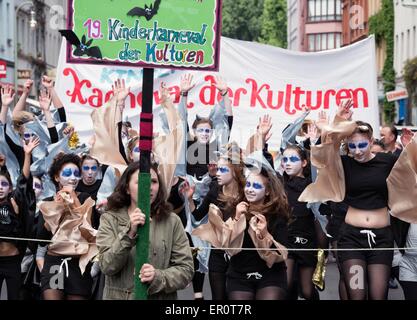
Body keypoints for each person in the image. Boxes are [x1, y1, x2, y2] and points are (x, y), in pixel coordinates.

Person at [299, 99, 416, 300]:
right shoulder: (343, 163)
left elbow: (410, 172)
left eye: (362, 144)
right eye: (352, 146)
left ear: (371, 141)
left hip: (381, 240)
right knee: (357, 295)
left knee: (379, 296)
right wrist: (339, 121)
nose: (358, 150)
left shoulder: (387, 161)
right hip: (351, 239)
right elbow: (326, 151)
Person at [97, 161, 194, 300]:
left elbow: (186, 270)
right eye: (141, 181)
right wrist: (129, 233)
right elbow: (107, 266)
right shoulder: (110, 219)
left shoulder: (172, 221)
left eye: (154, 181)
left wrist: (157, 276)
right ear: (127, 188)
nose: (148, 187)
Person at [224, 157, 289, 300]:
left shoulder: (277, 214)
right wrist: (236, 220)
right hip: (240, 274)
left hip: (270, 274)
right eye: (248, 185)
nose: (250, 190)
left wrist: (265, 234)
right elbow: (227, 248)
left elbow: (282, 253)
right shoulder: (235, 209)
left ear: (267, 191)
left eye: (256, 186)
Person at [36, 153, 97, 300]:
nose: (73, 177)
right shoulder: (47, 202)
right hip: (54, 262)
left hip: (78, 264)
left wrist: (74, 200)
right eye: (68, 173)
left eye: (76, 173)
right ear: (57, 177)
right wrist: (55, 209)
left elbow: (88, 231)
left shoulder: (85, 199)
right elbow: (41, 239)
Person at [0, 137, 39, 299]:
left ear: (10, 189)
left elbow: (23, 181)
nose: (0, 188)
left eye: (3, 184)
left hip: (13, 262)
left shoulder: (15, 203)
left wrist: (27, 155)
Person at [281, 145, 319, 300]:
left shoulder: (313, 184)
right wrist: (262, 140)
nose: (288, 163)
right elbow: (261, 167)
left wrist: (316, 143)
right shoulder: (280, 183)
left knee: (307, 291)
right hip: (286, 241)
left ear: (304, 162)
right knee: (287, 285)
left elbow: (324, 167)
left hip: (308, 242)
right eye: (285, 159)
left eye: (293, 159)